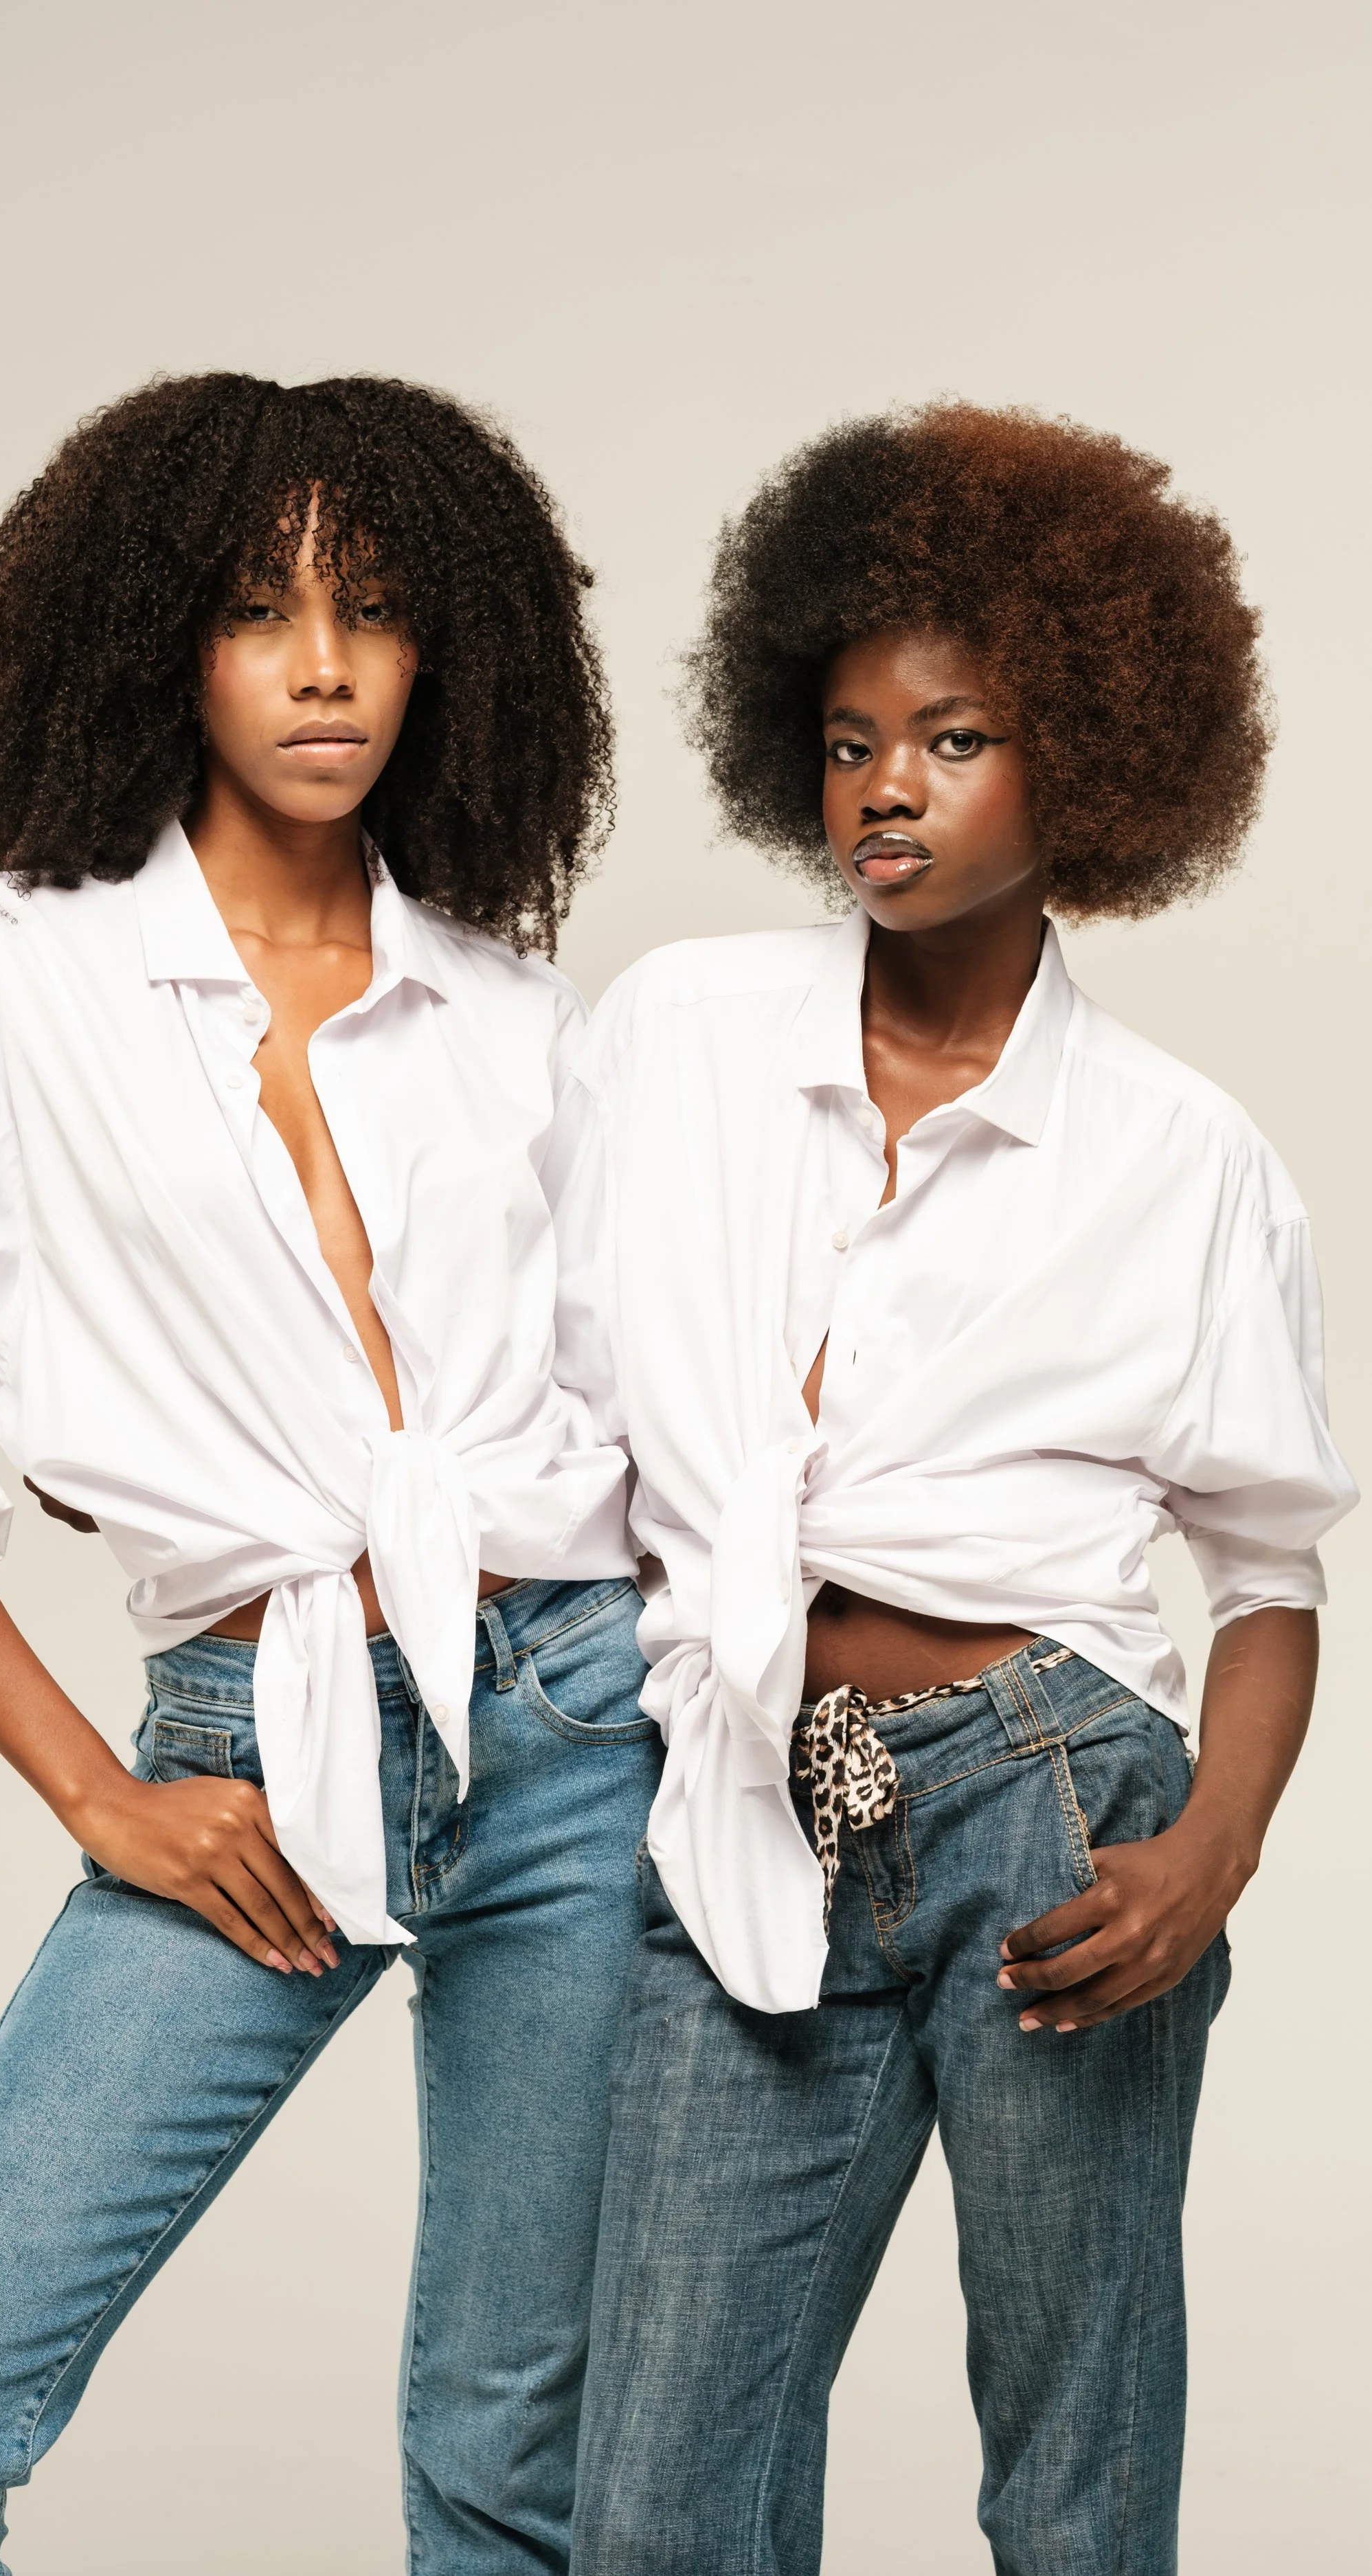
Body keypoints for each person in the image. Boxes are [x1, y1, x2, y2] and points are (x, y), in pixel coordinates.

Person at [0, 371, 662, 2575]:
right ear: (151, 640)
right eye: (259, 611)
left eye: (372, 610)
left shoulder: (510, 1008)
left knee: (507, 2459)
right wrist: (103, 1796)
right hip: (252, 1744)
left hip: (580, 1728)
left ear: (446, 647)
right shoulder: (0, 975)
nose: (319, 665)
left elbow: (648, 1419)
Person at [561, 403, 1357, 2576]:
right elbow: (517, 1353)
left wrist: (1214, 1848)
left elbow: (1267, 1571)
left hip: (1056, 1800)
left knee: (1072, 2470)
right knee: (653, 2507)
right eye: (842, 740)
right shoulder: (679, 1036)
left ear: (1082, 757)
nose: (884, 787)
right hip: (738, 1784)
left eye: (951, 735)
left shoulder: (1185, 1160)